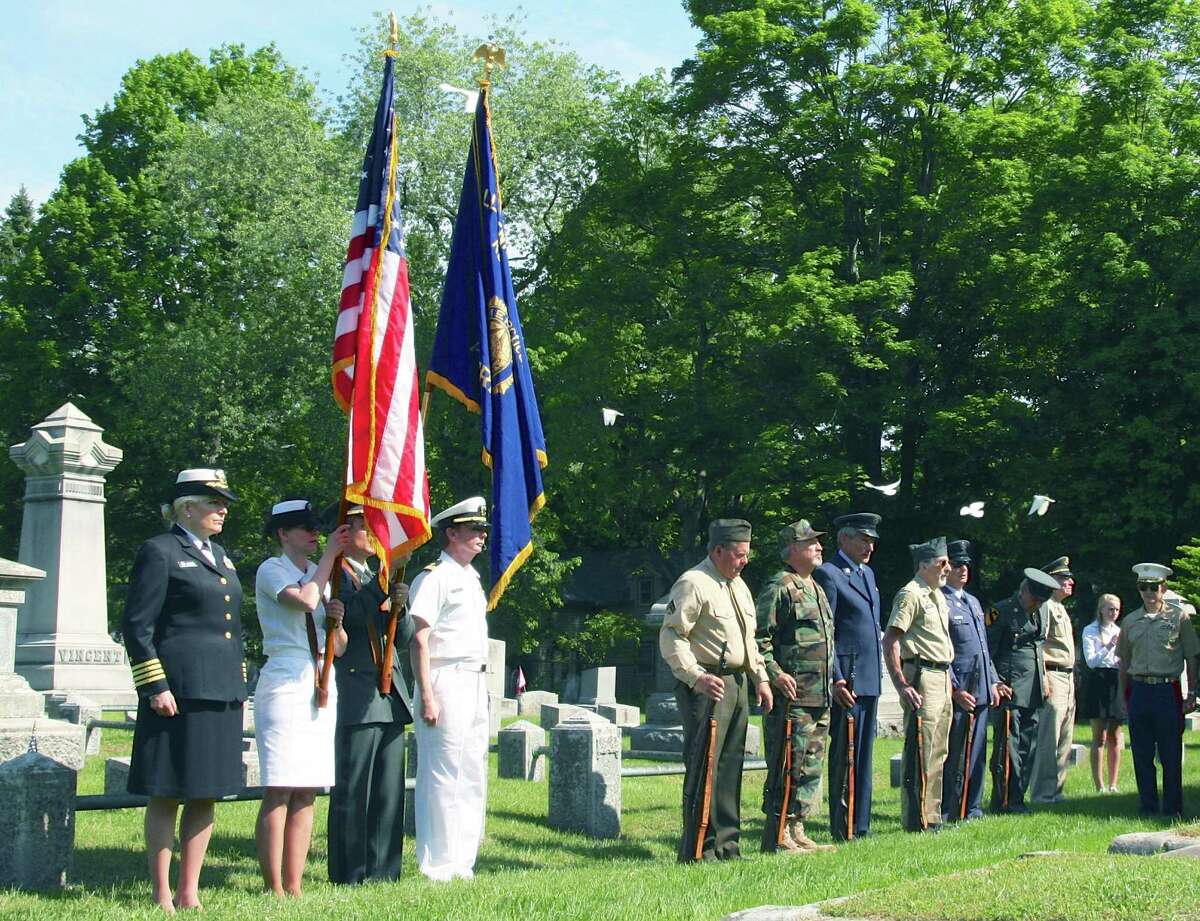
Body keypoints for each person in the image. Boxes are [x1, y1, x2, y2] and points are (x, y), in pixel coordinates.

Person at [121, 468, 245, 913]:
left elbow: (230, 625)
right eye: (214, 503)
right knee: (167, 789)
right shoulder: (160, 551)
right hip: (178, 691)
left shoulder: (223, 555)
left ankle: (189, 889)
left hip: (219, 689)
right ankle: (160, 891)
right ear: (187, 508)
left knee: (205, 790)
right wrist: (155, 684)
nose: (222, 509)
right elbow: (137, 625)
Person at [661, 518, 774, 861]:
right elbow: (672, 635)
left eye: (747, 554)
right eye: (739, 555)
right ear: (718, 550)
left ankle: (727, 846)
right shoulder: (693, 583)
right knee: (703, 766)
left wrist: (761, 678)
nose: (745, 561)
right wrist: (694, 676)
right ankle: (698, 849)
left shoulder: (738, 586)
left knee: (729, 767)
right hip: (708, 684)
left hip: (737, 684)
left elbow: (748, 639)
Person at [254, 499, 349, 897]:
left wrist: (337, 622)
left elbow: (339, 647)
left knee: (308, 788)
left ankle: (294, 885)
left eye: (316, 527)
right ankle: (273, 885)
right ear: (283, 534)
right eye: (305, 527)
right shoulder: (272, 569)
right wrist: (329, 555)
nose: (314, 533)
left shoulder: (318, 574)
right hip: (284, 677)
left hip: (319, 676)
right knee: (280, 787)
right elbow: (305, 601)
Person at [327, 504, 414, 884]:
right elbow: (353, 616)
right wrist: (382, 586)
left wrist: (400, 605)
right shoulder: (336, 577)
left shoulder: (376, 575)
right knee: (354, 787)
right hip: (356, 688)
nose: (376, 534)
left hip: (391, 691)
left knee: (388, 790)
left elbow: (405, 638)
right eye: (367, 525)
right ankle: (350, 871)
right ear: (346, 533)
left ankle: (385, 871)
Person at [408, 497, 491, 881]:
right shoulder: (433, 577)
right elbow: (419, 639)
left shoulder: (470, 578)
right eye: (474, 530)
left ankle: (463, 860)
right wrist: (426, 694)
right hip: (445, 677)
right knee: (442, 773)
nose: (482, 536)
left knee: (471, 770)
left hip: (475, 677)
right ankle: (438, 862)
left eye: (482, 529)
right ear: (451, 533)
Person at [755, 520, 837, 854]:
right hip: (793, 695)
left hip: (820, 693)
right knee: (788, 761)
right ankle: (778, 832)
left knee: (812, 763)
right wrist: (775, 674)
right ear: (792, 548)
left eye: (818, 542)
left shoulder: (814, 587)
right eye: (811, 543)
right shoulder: (780, 586)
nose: (819, 547)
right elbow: (759, 638)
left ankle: (797, 826)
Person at [813, 512, 883, 841]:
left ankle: (861, 823)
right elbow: (827, 632)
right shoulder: (829, 574)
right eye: (863, 539)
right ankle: (844, 824)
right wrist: (836, 678)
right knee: (846, 754)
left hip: (868, 677)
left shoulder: (866, 573)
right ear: (844, 539)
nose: (869, 546)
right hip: (848, 679)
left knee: (864, 756)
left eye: (872, 540)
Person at [1118, 563, 1199, 819]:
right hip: (1139, 689)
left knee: (1170, 752)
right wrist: (1122, 698)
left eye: (1154, 587)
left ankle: (1173, 807)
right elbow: (1124, 662)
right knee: (1141, 753)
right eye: (1143, 587)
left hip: (1168, 690)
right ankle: (1147, 806)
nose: (1149, 592)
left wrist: (1192, 692)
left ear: (1163, 588)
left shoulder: (1179, 618)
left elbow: (1191, 657)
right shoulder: (1130, 621)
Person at [883, 537, 954, 832]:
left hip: (943, 675)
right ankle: (916, 818)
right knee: (921, 749)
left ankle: (932, 814)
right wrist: (902, 684)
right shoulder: (910, 594)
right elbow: (891, 640)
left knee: (939, 749)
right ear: (924, 564)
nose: (947, 568)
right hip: (923, 675)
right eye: (942, 562)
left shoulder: (937, 595)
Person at [986, 567, 1059, 813]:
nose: (1036, 605)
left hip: (1033, 688)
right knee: (1009, 746)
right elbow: (988, 651)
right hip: (1011, 688)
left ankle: (1020, 796)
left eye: (1041, 601)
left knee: (1028, 747)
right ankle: (1006, 799)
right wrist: (996, 682)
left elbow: (1038, 647)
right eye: (1034, 599)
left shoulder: (1040, 613)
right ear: (1024, 590)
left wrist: (1044, 679)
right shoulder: (1000, 611)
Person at [940, 540, 999, 821]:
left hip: (982, 688)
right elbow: (944, 652)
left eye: (966, 565)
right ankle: (952, 807)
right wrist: (954, 689)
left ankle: (973, 807)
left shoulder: (973, 602)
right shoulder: (940, 600)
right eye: (957, 565)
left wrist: (994, 682)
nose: (963, 570)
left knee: (977, 753)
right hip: (962, 689)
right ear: (945, 567)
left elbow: (983, 648)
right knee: (956, 752)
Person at [1031, 556, 1077, 804]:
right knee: (1049, 739)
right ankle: (1042, 793)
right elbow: (1038, 644)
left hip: (1068, 678)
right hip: (1054, 674)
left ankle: (1056, 790)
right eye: (1064, 578)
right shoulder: (1046, 606)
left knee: (1064, 738)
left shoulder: (1060, 608)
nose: (1070, 582)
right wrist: (1044, 678)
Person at [1080, 593, 1124, 793]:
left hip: (1116, 680)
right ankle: (1100, 785)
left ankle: (1114, 784)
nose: (1114, 613)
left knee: (1115, 734)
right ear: (1101, 609)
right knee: (1100, 735)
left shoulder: (1120, 630)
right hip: (1097, 680)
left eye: (1116, 609)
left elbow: (1122, 659)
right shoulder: (1090, 631)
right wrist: (1109, 645)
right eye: (1110, 609)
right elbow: (1091, 661)